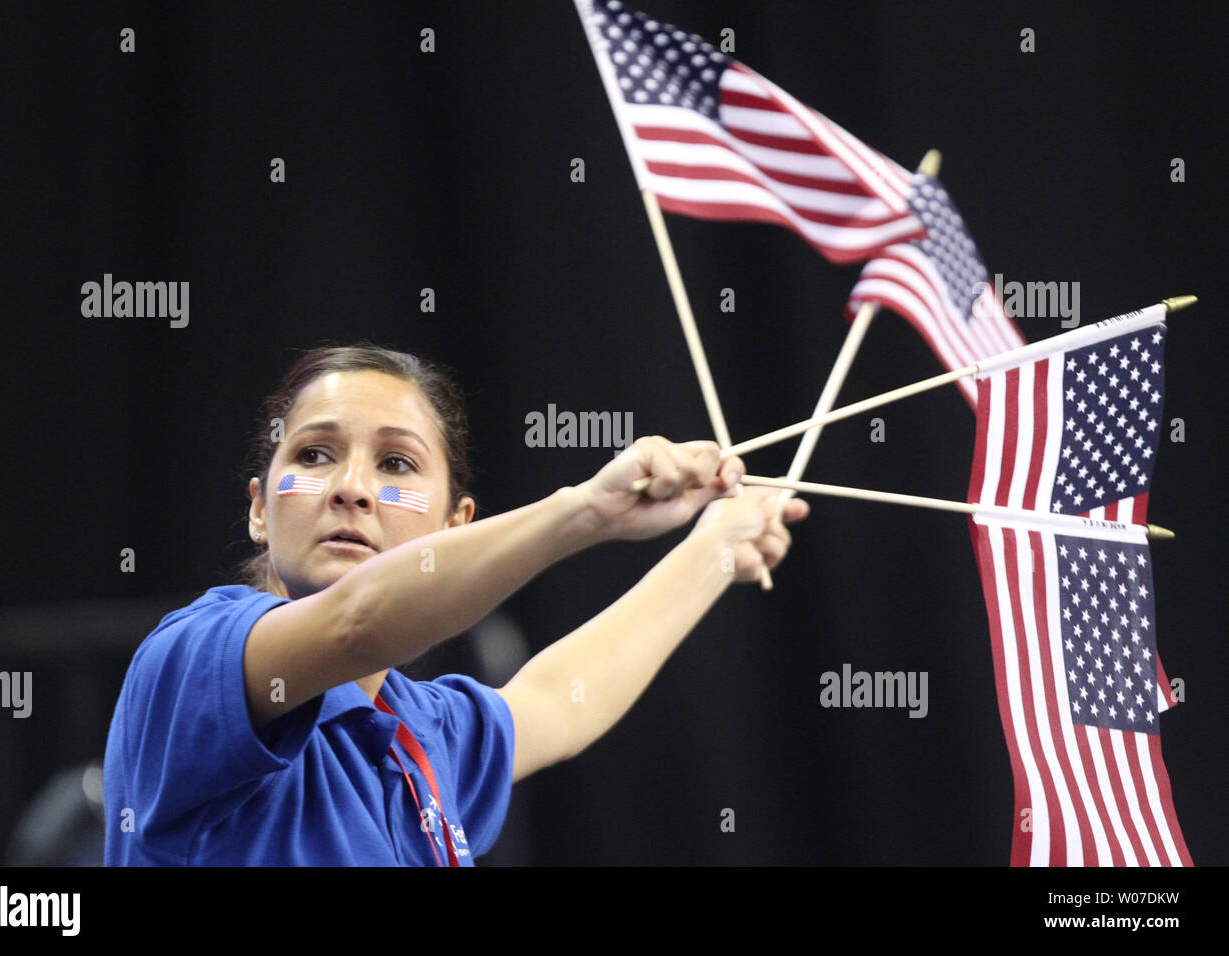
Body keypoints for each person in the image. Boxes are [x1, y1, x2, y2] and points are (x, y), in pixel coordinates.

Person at [102, 344, 808, 865]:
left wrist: (715, 549)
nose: (351, 487)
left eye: (397, 464)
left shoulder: (421, 735)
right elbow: (357, 623)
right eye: (314, 455)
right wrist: (589, 511)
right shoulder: (191, 658)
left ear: (454, 525)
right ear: (259, 509)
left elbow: (562, 700)